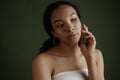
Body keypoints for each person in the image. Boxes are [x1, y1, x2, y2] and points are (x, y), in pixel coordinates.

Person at [32, 1, 104, 80]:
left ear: (80, 22)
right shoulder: (43, 61)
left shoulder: (96, 55)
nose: (70, 28)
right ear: (54, 32)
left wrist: (89, 57)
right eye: (61, 25)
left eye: (73, 19)